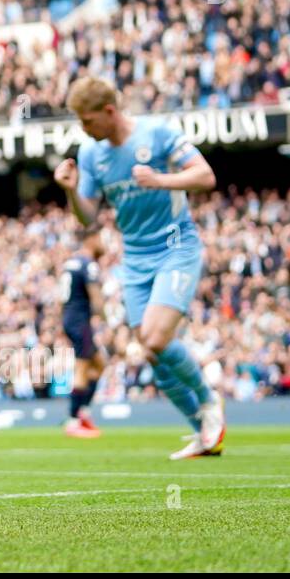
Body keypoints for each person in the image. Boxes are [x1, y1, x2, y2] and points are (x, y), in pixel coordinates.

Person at [54, 78, 225, 460]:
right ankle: (202, 432)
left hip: (174, 248)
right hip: (134, 260)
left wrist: (160, 179)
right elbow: (88, 216)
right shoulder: (91, 155)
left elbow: (205, 176)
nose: (84, 129)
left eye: (88, 120)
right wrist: (70, 189)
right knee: (149, 351)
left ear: (110, 112)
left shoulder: (158, 134)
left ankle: (210, 403)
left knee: (156, 338)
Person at [61, 224, 106, 438]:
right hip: (80, 320)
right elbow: (96, 297)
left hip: (70, 318)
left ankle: (83, 413)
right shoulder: (88, 264)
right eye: (100, 238)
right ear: (91, 238)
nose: (103, 243)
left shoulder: (71, 262)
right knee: (82, 367)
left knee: (99, 364)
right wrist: (107, 322)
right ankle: (73, 420)